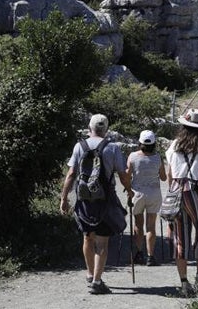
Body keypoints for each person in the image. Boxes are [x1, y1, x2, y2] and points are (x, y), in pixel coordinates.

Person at [60, 114, 133, 295]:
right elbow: (122, 174)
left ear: (89, 127)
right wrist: (129, 190)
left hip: (84, 199)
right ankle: (97, 281)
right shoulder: (112, 147)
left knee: (87, 237)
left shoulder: (79, 146)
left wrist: (64, 198)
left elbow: (71, 174)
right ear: (106, 129)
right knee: (102, 242)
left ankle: (90, 274)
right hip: (105, 199)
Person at [166, 108, 198, 296]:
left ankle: (184, 282)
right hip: (194, 191)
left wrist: (171, 195)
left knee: (180, 237)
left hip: (176, 191)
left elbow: (170, 174)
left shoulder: (174, 145)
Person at [126, 130, 167, 266]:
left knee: (138, 224)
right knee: (151, 226)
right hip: (154, 193)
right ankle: (151, 256)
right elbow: (163, 177)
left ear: (140, 142)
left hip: (137, 193)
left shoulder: (132, 157)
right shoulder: (157, 158)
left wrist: (128, 188)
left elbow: (127, 175)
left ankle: (139, 253)